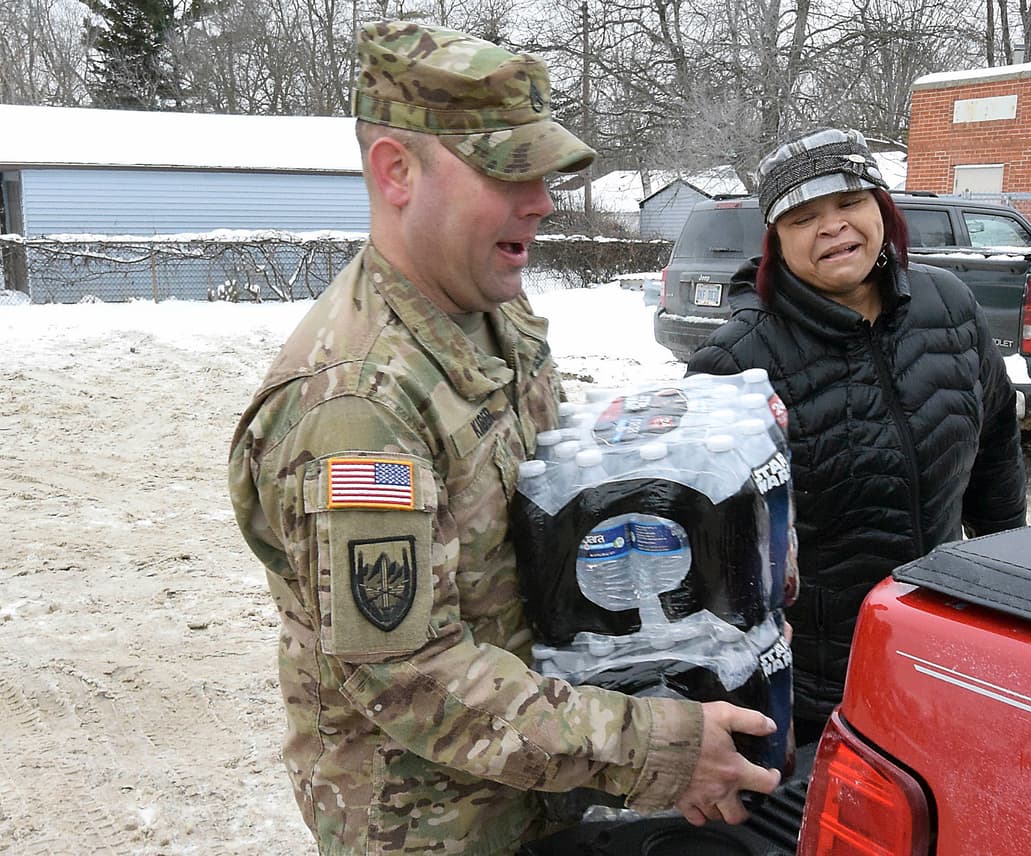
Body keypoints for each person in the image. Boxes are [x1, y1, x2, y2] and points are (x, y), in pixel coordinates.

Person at [227, 22, 780, 855]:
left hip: (539, 790)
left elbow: (549, 481)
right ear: (397, 171)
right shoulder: (353, 405)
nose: (544, 200)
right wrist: (653, 748)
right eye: (507, 172)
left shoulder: (490, 310)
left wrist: (723, 536)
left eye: (546, 172)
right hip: (433, 824)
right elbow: (409, 680)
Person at [686, 128, 1027, 744]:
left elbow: (997, 447)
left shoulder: (947, 305)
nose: (832, 226)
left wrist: (1010, 586)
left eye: (849, 204)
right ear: (775, 241)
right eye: (803, 216)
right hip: (820, 690)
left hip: (942, 651)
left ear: (881, 209)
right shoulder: (737, 363)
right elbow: (712, 560)